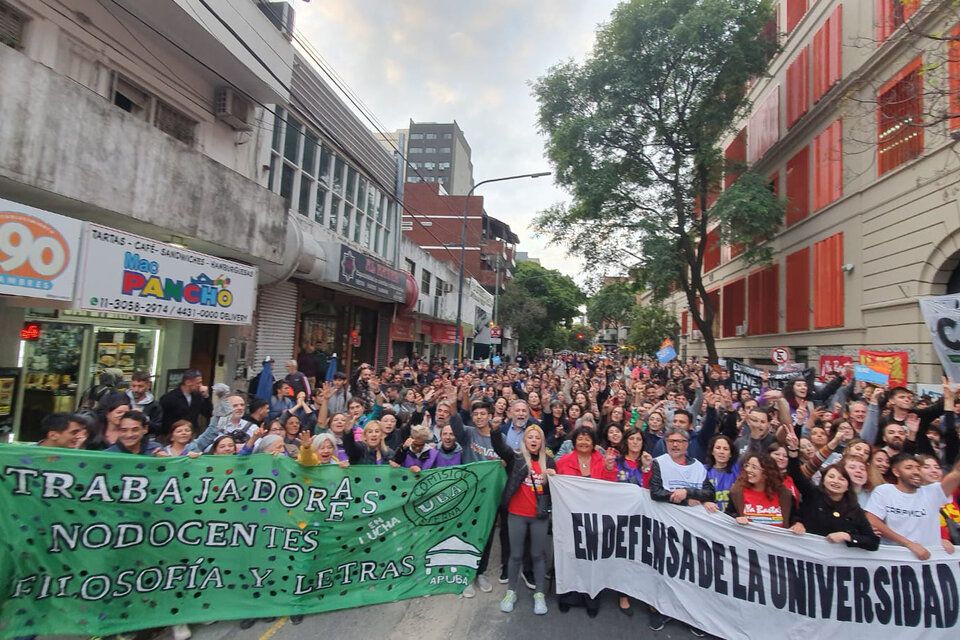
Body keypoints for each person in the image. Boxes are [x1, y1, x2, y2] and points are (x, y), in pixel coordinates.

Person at [648, 426, 718, 634]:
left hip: (693, 529)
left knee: (691, 570)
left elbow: (710, 493)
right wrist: (686, 500)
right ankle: (662, 610)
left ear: (687, 444)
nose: (675, 445)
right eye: (671, 441)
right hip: (667, 524)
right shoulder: (660, 463)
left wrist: (687, 491)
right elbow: (655, 492)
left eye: (679, 441)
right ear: (666, 443)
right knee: (666, 568)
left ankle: (690, 614)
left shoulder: (698, 467)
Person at [490, 421, 555, 616]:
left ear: (542, 441)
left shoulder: (549, 462)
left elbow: (555, 492)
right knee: (515, 555)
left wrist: (554, 477)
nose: (534, 440)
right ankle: (511, 592)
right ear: (524, 440)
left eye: (537, 438)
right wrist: (495, 430)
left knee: (537, 555)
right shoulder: (516, 457)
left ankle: (539, 594)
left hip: (539, 516)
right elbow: (500, 448)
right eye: (530, 437)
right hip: (516, 515)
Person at [785, 431, 880, 549]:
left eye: (841, 479)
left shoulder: (854, 509)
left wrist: (847, 536)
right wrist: (793, 450)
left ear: (847, 485)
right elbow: (796, 474)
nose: (835, 481)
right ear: (823, 480)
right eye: (831, 477)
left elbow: (873, 542)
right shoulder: (813, 494)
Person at [865, 453, 960, 559]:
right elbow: (872, 520)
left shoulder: (933, 492)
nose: (915, 472)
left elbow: (956, 474)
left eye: (918, 468)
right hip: (894, 559)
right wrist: (909, 544)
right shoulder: (884, 491)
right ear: (896, 472)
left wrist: (940, 540)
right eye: (909, 468)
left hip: (928, 561)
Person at [726, 453, 804, 532]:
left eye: (754, 467)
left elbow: (794, 518)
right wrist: (735, 519)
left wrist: (798, 524)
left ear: (767, 473)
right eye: (747, 465)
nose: (748, 470)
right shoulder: (737, 493)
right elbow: (727, 516)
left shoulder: (785, 495)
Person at [159, 370, 212, 436]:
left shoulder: (197, 396)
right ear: (188, 382)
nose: (201, 385)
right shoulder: (169, 398)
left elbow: (208, 413)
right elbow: (162, 419)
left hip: (192, 434)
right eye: (198, 383)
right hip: (174, 435)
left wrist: (206, 397)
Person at [705, 435, 738, 513]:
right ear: (712, 451)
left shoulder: (737, 469)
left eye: (726, 449)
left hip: (732, 517)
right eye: (718, 448)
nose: (721, 452)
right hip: (711, 516)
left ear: (730, 454)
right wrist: (704, 502)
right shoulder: (703, 470)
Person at [126, 370, 163, 435]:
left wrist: (145, 418)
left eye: (140, 386)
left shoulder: (154, 406)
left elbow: (158, 429)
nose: (136, 390)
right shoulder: (122, 399)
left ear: (148, 386)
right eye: (133, 386)